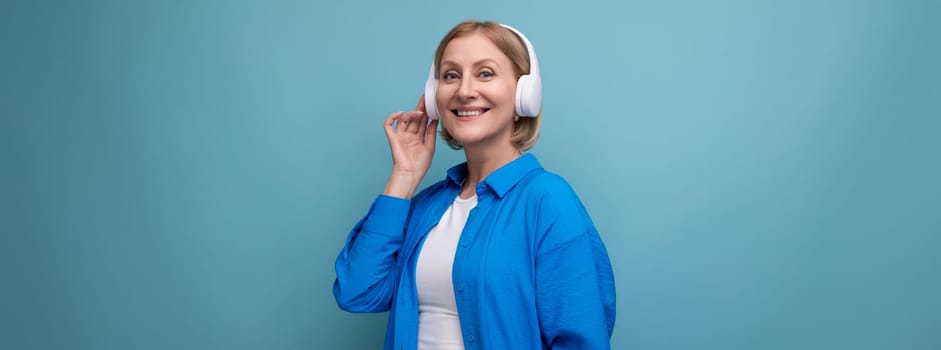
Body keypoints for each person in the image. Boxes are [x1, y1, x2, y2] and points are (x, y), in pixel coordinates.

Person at [333, 20, 616, 350]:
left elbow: (582, 339)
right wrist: (404, 178)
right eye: (451, 75)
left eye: (485, 73)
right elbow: (357, 292)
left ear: (525, 95)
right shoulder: (426, 206)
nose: (464, 90)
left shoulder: (547, 200)